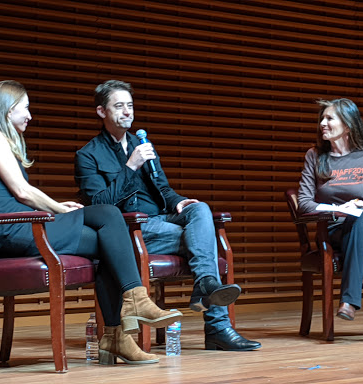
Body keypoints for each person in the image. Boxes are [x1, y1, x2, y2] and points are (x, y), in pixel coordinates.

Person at [0, 80, 183, 365]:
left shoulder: (0, 139)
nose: (30, 115)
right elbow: (22, 192)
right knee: (107, 214)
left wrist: (58, 209)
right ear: (7, 110)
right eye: (26, 108)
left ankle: (116, 337)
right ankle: (135, 301)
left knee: (111, 240)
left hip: (24, 227)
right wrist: (58, 209)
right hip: (12, 231)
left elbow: (22, 193)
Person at [74, 80, 261, 351]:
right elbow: (98, 205)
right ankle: (217, 326)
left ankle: (205, 286)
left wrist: (179, 202)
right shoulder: (88, 155)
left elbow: (161, 188)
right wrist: (130, 166)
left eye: (130, 106)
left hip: (162, 220)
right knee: (203, 242)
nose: (127, 112)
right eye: (119, 106)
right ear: (102, 112)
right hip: (129, 230)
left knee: (201, 210)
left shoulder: (143, 144)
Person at [297, 98, 363, 344]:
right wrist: (338, 209)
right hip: (333, 229)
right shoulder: (315, 156)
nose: (323, 123)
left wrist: (359, 208)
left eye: (330, 118)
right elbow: (304, 202)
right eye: (322, 118)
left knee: (362, 220)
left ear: (348, 125)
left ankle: (350, 299)